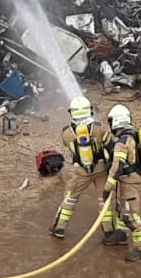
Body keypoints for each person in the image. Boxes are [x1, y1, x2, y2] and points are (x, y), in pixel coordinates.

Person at [48, 96, 119, 242]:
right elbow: (110, 146)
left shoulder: (66, 133)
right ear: (90, 110)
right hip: (101, 169)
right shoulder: (99, 128)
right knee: (103, 199)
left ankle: (59, 227)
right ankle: (109, 232)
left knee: (71, 198)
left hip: (81, 172)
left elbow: (68, 146)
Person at [104, 104, 141, 262]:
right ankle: (120, 234)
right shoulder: (132, 135)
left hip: (129, 182)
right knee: (121, 209)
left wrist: (108, 187)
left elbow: (117, 165)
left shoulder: (122, 141)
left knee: (131, 216)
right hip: (131, 178)